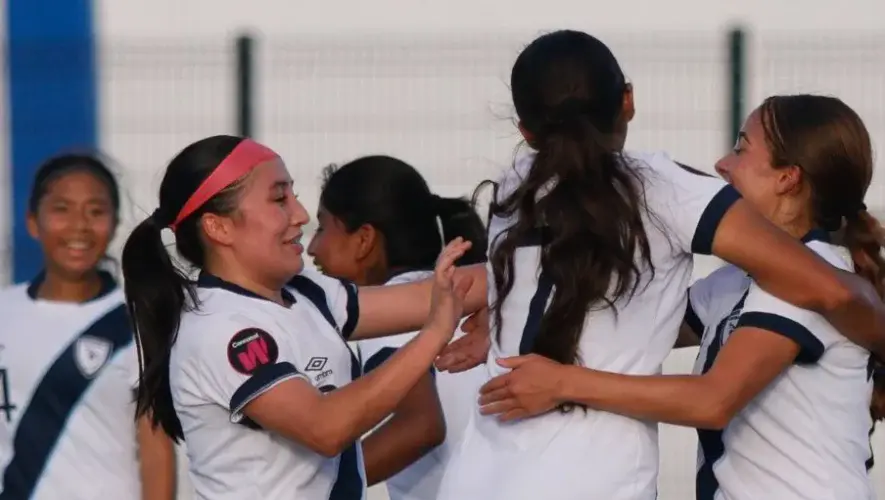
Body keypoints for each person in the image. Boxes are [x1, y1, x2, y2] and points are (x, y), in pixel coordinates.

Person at [434, 31, 885, 500]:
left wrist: (564, 379)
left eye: (741, 147)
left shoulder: (803, 281)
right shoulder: (728, 274)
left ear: (789, 178)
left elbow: (713, 400)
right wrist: (512, 314)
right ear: (626, 101)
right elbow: (631, 318)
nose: (721, 164)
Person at [120, 135, 487, 500]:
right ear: (219, 227)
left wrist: (531, 263)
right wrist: (435, 332)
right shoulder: (222, 329)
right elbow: (325, 428)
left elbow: (440, 295)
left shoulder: (306, 293)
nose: (301, 215)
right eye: (279, 198)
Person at [307, 156, 489, 500]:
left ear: (364, 240)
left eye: (322, 227)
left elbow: (421, 426)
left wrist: (313, 489)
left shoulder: (392, 317)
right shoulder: (454, 298)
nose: (311, 247)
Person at [0, 154, 176, 500]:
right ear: (33, 222)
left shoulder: (138, 320)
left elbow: (157, 450)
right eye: (61, 209)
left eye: (96, 211)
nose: (79, 226)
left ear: (114, 224)